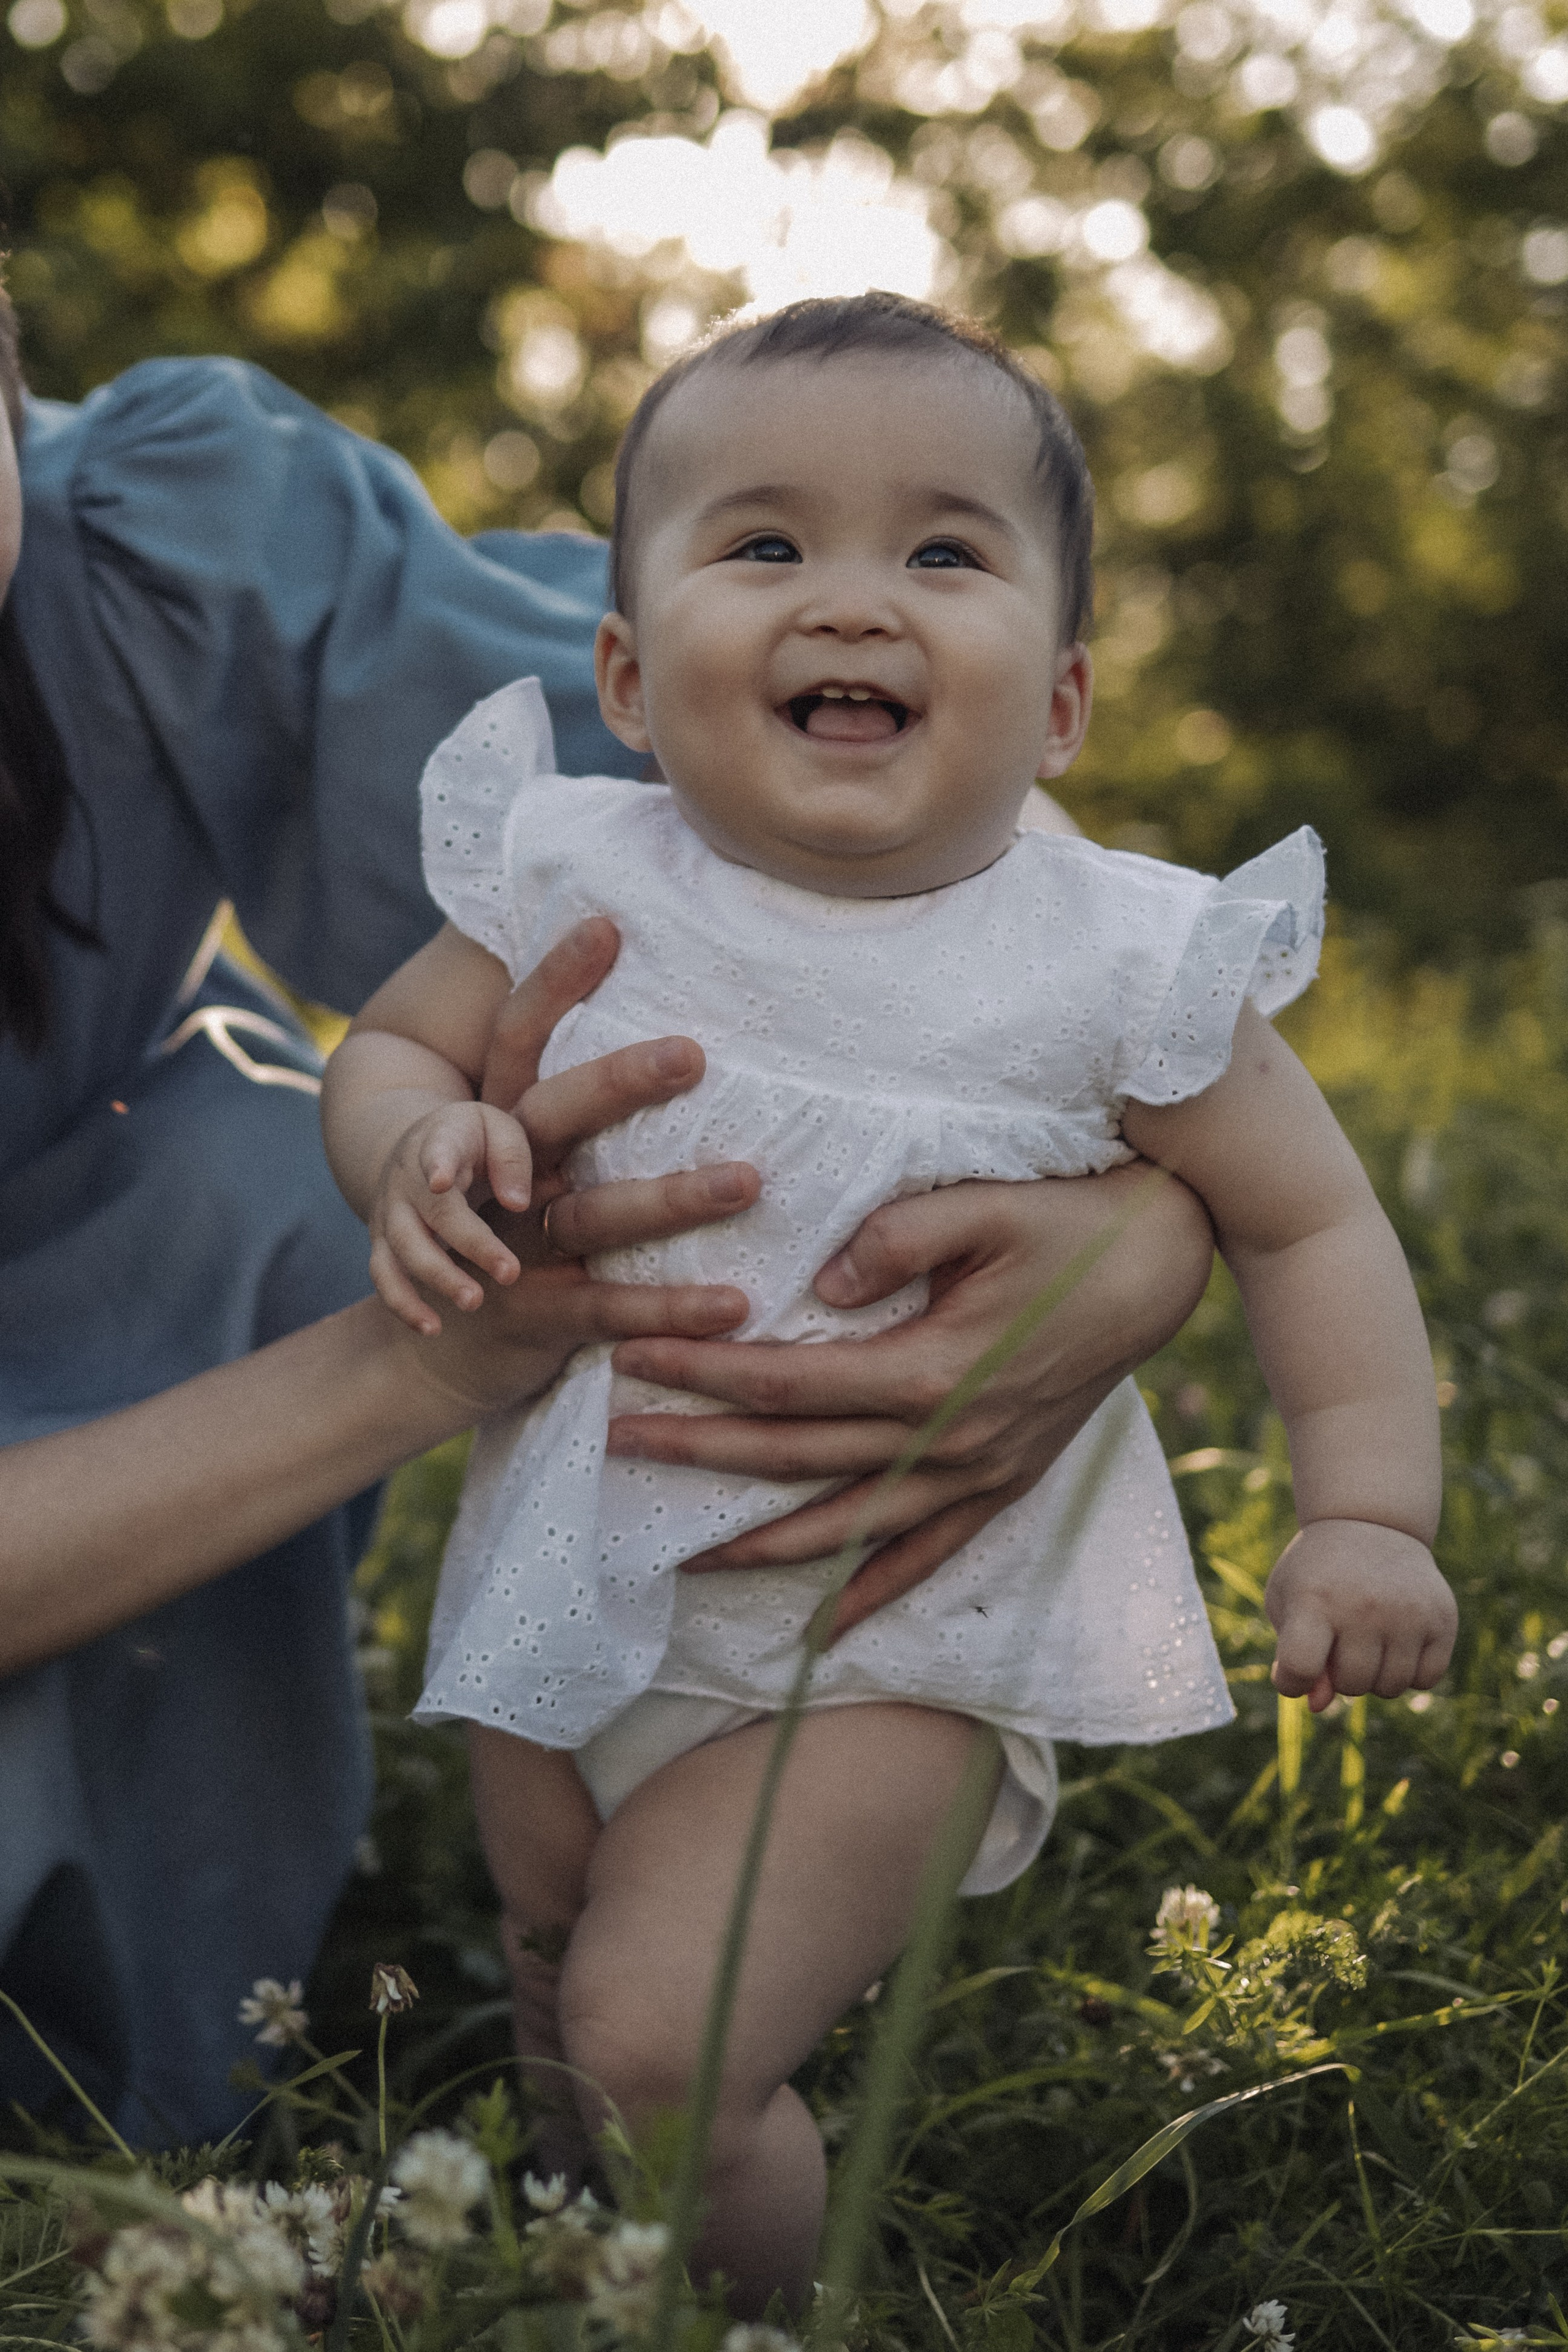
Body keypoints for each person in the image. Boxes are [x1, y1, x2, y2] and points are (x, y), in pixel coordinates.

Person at [323, 293, 1457, 2315]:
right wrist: (413, 1146)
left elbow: (1311, 1227)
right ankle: (595, 2290)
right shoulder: (578, 872)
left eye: (945, 552)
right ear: (628, 676)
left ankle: (761, 2318)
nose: (853, 603)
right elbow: (388, 1056)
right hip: (576, 1565)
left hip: (895, 1631)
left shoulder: (1113, 962)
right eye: (763, 546)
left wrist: (1368, 1507)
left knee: (659, 2043)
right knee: (558, 1986)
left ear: (1064, 706)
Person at [0, 277, 1216, 2149]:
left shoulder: (163, 530)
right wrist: (428, 1362)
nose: (857, 594)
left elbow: (849, 803)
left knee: (238, 1152)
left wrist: (1129, 1211)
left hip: (101, 1302)